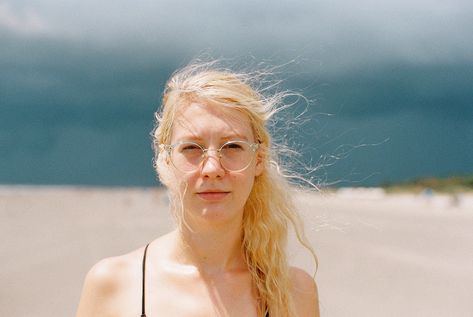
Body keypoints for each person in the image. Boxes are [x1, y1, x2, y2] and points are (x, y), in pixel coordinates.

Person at [76, 60, 320, 317]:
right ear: (165, 160)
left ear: (258, 160)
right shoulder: (115, 285)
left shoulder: (294, 293)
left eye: (232, 146)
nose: (212, 167)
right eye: (192, 148)